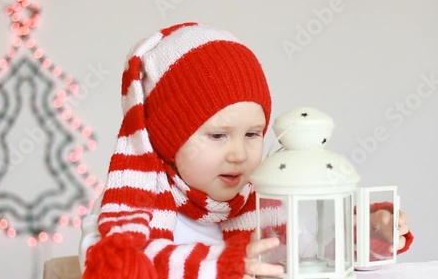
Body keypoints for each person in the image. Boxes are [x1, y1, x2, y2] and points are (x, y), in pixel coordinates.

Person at [78, 22, 413, 279]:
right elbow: (105, 263)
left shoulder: (262, 201)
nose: (239, 154)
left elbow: (309, 255)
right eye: (218, 135)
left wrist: (366, 235)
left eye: (253, 133)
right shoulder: (130, 204)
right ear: (168, 139)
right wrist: (222, 265)